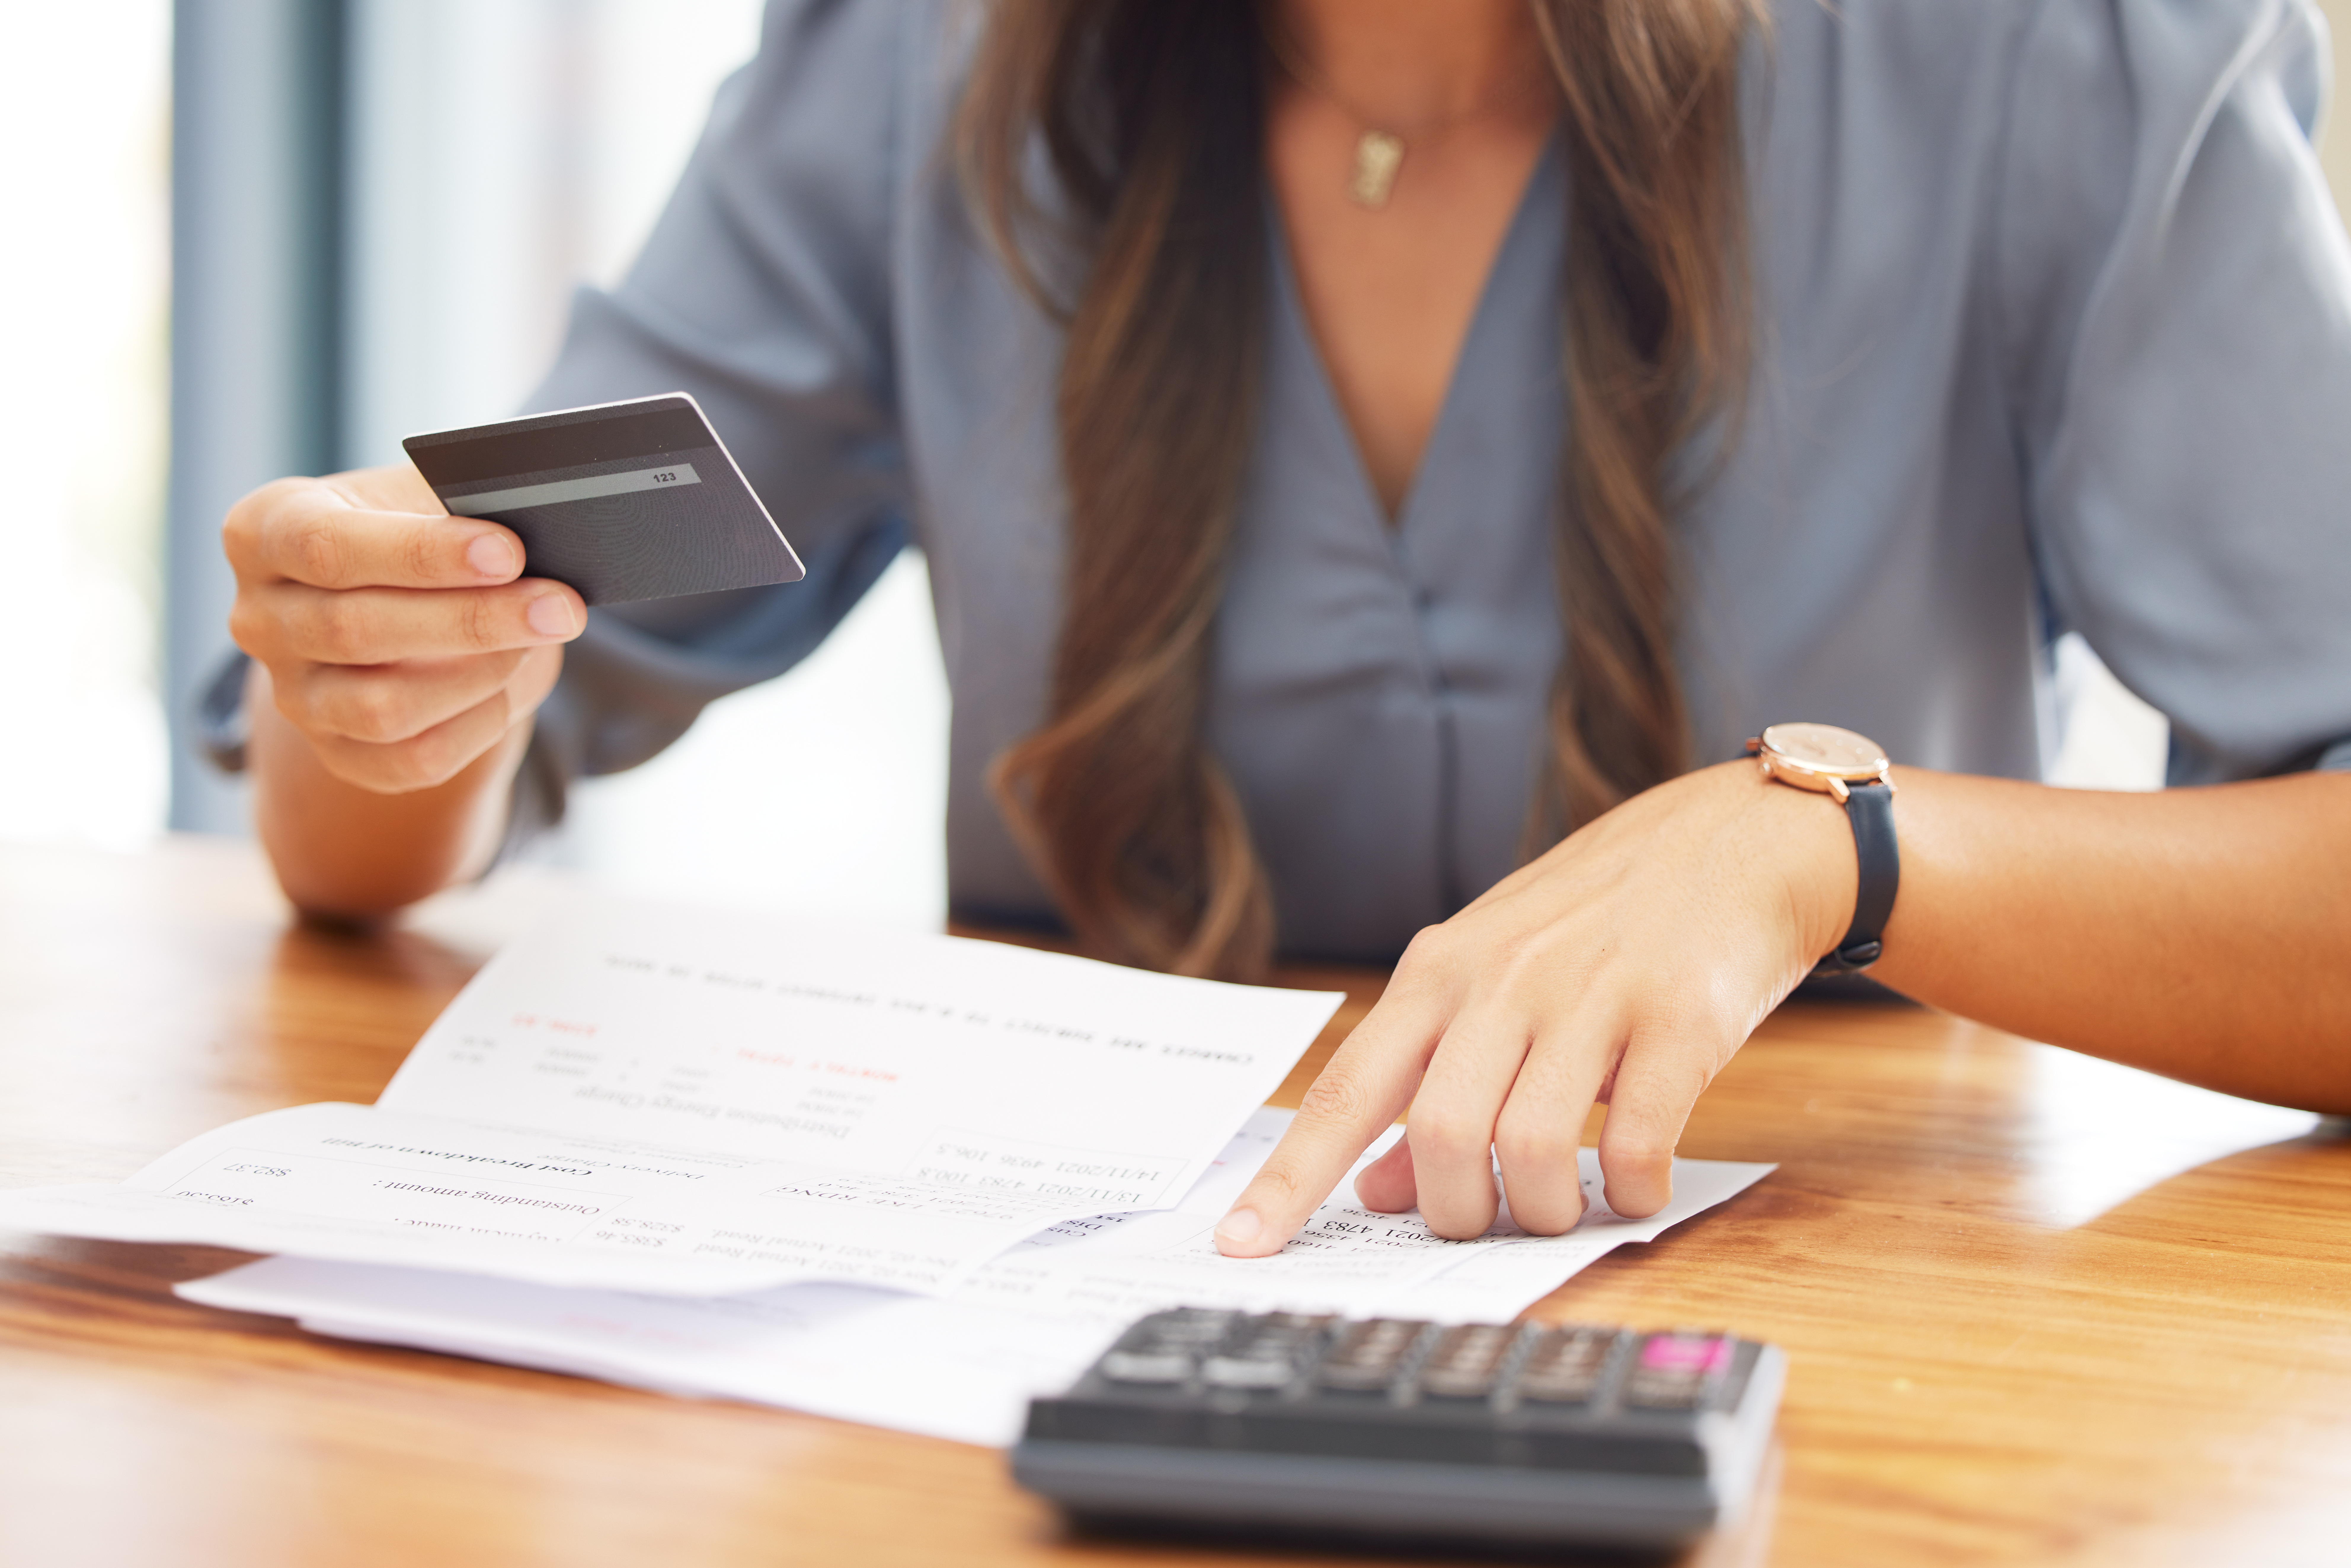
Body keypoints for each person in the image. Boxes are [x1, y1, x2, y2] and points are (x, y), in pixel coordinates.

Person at [219, 0, 2351, 1261]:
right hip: (1051, 1319)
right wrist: (378, 667)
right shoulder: (913, 61)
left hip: (1853, 1331)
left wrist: (1834, 845)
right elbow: (405, 794)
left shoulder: (2051, 56)